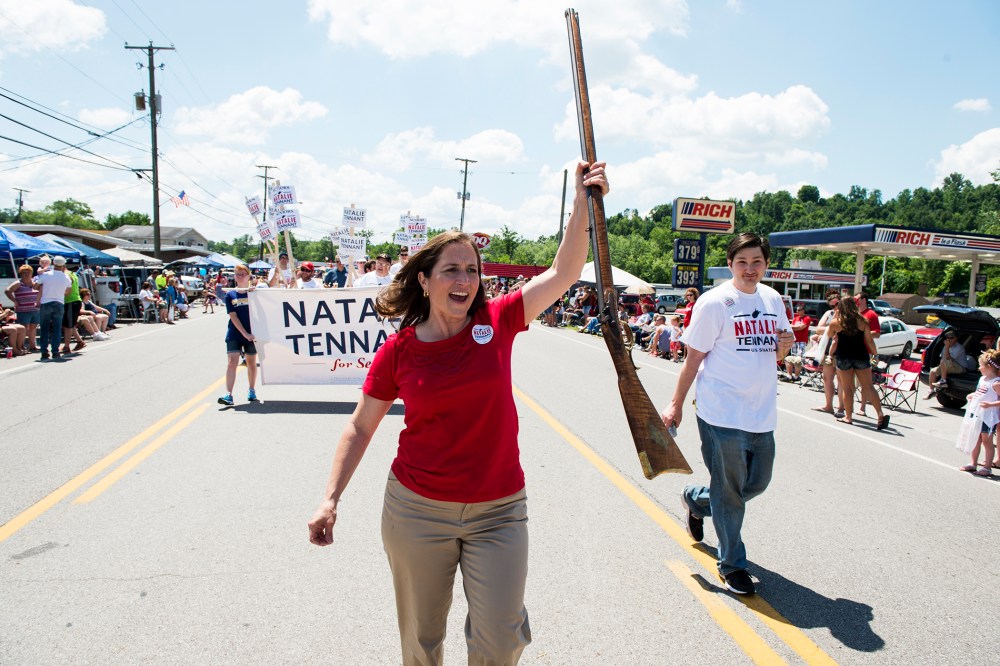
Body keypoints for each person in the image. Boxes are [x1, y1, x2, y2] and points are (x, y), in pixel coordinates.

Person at [307, 161, 609, 665]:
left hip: (500, 510)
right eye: (451, 269)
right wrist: (330, 499)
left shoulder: (499, 319)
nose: (465, 279)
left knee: (502, 637)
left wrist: (581, 202)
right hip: (417, 511)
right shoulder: (399, 352)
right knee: (422, 642)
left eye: (472, 270)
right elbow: (360, 427)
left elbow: (564, 273)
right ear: (424, 281)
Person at [662, 233, 794, 596]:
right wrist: (675, 404)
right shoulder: (715, 303)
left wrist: (785, 346)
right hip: (721, 413)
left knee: (755, 484)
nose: (750, 269)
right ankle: (732, 564)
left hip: (762, 413)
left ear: (766, 264)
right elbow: (693, 359)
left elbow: (776, 354)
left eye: (757, 262)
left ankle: (697, 499)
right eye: (742, 262)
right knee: (732, 492)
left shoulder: (773, 299)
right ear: (731, 264)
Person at [826, 296, 889, 429]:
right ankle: (880, 414)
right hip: (861, 356)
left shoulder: (836, 322)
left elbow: (829, 335)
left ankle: (848, 417)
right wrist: (875, 355)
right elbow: (869, 341)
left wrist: (835, 317)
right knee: (868, 387)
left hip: (844, 358)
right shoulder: (863, 321)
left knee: (847, 388)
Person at [219, 264, 259, 406]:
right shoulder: (230, 294)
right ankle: (229, 394)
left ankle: (251, 389)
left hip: (253, 333)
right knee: (232, 362)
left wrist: (250, 334)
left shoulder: (254, 293)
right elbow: (233, 316)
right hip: (236, 332)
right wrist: (244, 333)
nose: (239, 276)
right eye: (237, 274)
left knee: (251, 363)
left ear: (248, 276)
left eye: (242, 274)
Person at [958, 350, 1000, 477]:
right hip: (977, 414)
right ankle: (973, 463)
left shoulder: (996, 382)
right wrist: (972, 395)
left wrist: (990, 405)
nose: (978, 367)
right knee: (975, 438)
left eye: (980, 365)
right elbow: (980, 393)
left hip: (988, 417)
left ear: (989, 367)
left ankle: (987, 467)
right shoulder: (982, 379)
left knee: (987, 441)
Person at [810, 289, 844, 416]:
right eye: (832, 305)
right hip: (829, 349)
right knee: (827, 377)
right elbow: (818, 329)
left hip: (843, 350)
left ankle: (841, 407)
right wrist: (832, 328)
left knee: (842, 380)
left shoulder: (848, 314)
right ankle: (829, 405)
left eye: (837, 304)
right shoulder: (829, 313)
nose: (835, 307)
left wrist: (833, 328)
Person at [35, 255, 72, 359]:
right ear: (63, 265)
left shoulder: (46, 275)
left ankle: (44, 351)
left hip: (46, 302)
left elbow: (35, 286)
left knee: (44, 328)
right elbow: (68, 291)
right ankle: (55, 351)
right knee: (57, 328)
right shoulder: (66, 277)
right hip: (59, 302)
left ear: (53, 263)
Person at [854, 293, 882, 416]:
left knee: (865, 382)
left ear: (864, 300)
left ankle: (862, 407)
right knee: (850, 380)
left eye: (857, 299)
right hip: (852, 351)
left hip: (866, 352)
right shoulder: (854, 314)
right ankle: (844, 406)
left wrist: (863, 333)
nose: (856, 301)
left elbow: (877, 333)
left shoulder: (871, 315)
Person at [927, 330, 974, 397]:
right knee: (933, 371)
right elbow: (943, 357)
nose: (949, 340)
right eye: (947, 338)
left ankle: (943, 381)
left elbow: (947, 358)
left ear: (956, 338)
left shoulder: (959, 348)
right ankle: (931, 391)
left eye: (951, 338)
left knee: (944, 360)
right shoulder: (946, 346)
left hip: (961, 368)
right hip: (950, 366)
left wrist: (947, 346)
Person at [5, 265, 40, 352]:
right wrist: (14, 301)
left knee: (33, 328)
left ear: (32, 273)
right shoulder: (18, 283)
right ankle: (21, 346)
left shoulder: (35, 283)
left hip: (35, 309)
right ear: (21, 274)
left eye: (28, 272)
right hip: (23, 310)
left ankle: (33, 346)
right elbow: (7, 291)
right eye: (24, 273)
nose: (27, 274)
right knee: (24, 328)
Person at [61, 261, 86, 354]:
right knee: (69, 324)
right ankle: (80, 341)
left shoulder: (67, 275)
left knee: (68, 325)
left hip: (71, 300)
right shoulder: (72, 273)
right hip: (72, 301)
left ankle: (66, 346)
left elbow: (68, 286)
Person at [783, 302, 812, 382]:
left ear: (803, 310)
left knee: (799, 358)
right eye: (797, 310)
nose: (798, 312)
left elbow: (801, 327)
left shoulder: (807, 318)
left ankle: (796, 375)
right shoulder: (796, 319)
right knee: (792, 357)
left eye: (799, 310)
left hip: (802, 341)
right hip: (795, 340)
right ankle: (790, 375)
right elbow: (792, 327)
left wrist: (794, 327)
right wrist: (794, 327)